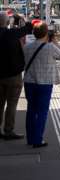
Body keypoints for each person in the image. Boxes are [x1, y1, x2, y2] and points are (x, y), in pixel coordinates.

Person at [23, 23, 60, 148]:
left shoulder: (27, 47)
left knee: (31, 110)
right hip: (44, 83)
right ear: (46, 33)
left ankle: (30, 138)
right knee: (42, 112)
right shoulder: (50, 47)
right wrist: (54, 41)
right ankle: (38, 140)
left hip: (29, 82)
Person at [0, 11, 33, 140]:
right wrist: (23, 18)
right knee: (12, 104)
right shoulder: (12, 34)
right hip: (13, 76)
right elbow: (29, 27)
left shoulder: (11, 33)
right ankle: (8, 131)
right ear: (7, 22)